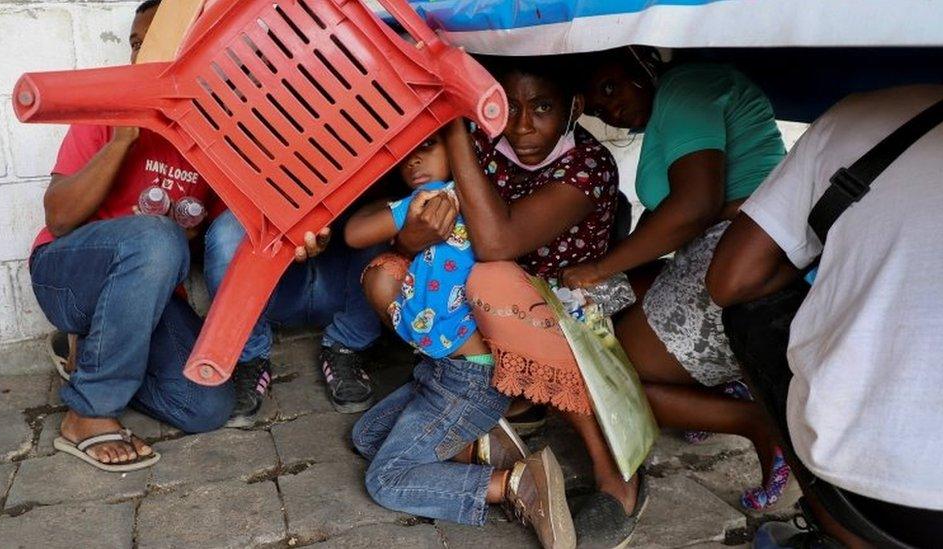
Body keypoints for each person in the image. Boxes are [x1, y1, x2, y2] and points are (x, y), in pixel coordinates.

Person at [373, 55, 630, 547]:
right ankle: (477, 414)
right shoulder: (492, 144)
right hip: (487, 294)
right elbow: (405, 219)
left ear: (575, 107)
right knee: (385, 274)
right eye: (507, 109)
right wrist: (408, 240)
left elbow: (496, 244)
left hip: (562, 298)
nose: (523, 125)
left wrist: (453, 131)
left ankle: (613, 470)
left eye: (542, 107)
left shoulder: (588, 166)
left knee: (495, 279)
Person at [707, 85, 943, 548]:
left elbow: (731, 281)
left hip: (870, 488)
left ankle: (836, 526)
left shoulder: (865, 111)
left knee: (750, 315)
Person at [562, 46, 792, 512]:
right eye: (602, 106)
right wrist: (613, 275)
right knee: (593, 316)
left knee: (609, 373)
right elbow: (672, 217)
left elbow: (695, 205)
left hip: (745, 254)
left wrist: (600, 269)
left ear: (641, 61)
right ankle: (713, 385)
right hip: (724, 246)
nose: (614, 109)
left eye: (612, 87)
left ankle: (756, 421)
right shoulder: (673, 105)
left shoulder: (688, 86)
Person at [346, 132, 574, 549]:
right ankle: (480, 446)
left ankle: (515, 484)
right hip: (441, 372)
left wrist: (401, 213)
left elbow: (354, 234)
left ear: (460, 151)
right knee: (366, 436)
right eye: (405, 156)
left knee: (385, 479)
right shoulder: (480, 205)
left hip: (466, 382)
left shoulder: (431, 199)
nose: (414, 162)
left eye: (427, 146)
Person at [31, 0, 230, 470]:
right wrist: (123, 140)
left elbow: (212, 244)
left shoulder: (215, 137)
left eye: (157, 45)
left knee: (205, 408)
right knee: (156, 237)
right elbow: (59, 219)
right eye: (136, 45)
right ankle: (90, 412)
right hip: (67, 278)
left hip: (148, 299)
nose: (143, 58)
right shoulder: (107, 111)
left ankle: (90, 352)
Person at [204, 203, 384, 425]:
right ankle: (249, 356)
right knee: (227, 230)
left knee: (382, 215)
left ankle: (345, 346)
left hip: (340, 283)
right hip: (277, 284)